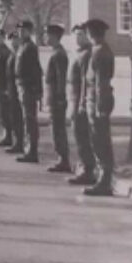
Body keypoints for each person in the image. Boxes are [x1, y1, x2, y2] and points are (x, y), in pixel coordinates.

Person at [82, 18, 115, 196]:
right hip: (94, 100)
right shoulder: (98, 50)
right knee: (97, 141)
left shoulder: (101, 52)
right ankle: (102, 176)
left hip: (98, 101)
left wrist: (100, 107)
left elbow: (101, 83)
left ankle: (105, 180)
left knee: (101, 142)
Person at [66, 23, 98, 186]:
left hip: (80, 100)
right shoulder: (77, 53)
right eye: (75, 35)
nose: (78, 38)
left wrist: (81, 104)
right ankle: (83, 165)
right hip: (73, 97)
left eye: (81, 34)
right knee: (78, 135)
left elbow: (86, 82)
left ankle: (88, 169)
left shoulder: (86, 55)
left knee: (82, 136)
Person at [14, 20, 44, 163]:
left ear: (29, 31)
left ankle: (32, 151)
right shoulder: (22, 46)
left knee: (30, 120)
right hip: (21, 86)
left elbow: (36, 70)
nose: (20, 32)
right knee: (26, 119)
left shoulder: (30, 48)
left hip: (28, 87)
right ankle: (28, 149)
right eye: (19, 30)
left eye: (24, 30)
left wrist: (37, 90)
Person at [44, 24, 72, 173]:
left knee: (58, 129)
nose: (45, 38)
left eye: (47, 35)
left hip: (57, 97)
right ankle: (61, 158)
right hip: (53, 95)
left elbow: (61, 78)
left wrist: (60, 97)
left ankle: (64, 159)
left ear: (54, 36)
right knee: (55, 128)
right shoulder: (55, 53)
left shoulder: (59, 55)